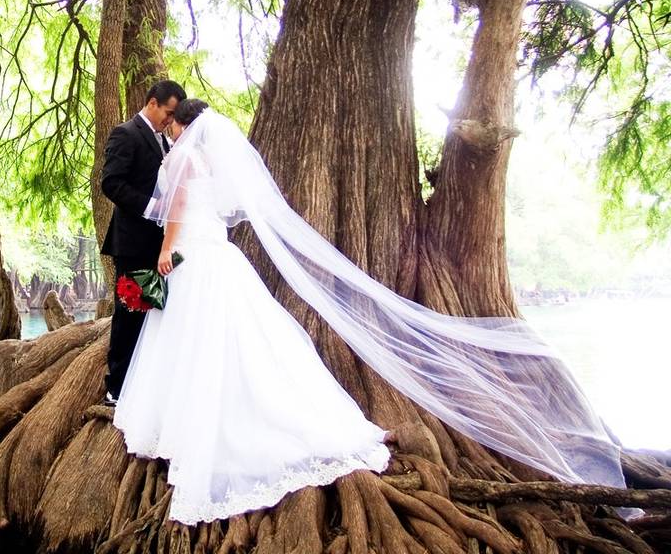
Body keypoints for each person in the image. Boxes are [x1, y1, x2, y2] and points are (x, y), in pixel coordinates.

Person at [113, 101, 626, 526]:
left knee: (192, 338)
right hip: (218, 254)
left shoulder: (182, 164)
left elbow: (176, 217)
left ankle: (187, 424)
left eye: (176, 126)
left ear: (186, 128)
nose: (172, 132)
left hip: (195, 256)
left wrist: (165, 254)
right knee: (234, 337)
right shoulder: (211, 166)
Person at [100, 79, 187, 405]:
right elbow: (111, 183)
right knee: (129, 314)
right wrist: (152, 208)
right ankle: (116, 388)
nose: (170, 120)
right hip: (133, 243)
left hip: (160, 246)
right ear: (152, 103)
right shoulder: (126, 133)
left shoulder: (167, 143)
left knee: (153, 315)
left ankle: (143, 384)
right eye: (168, 112)